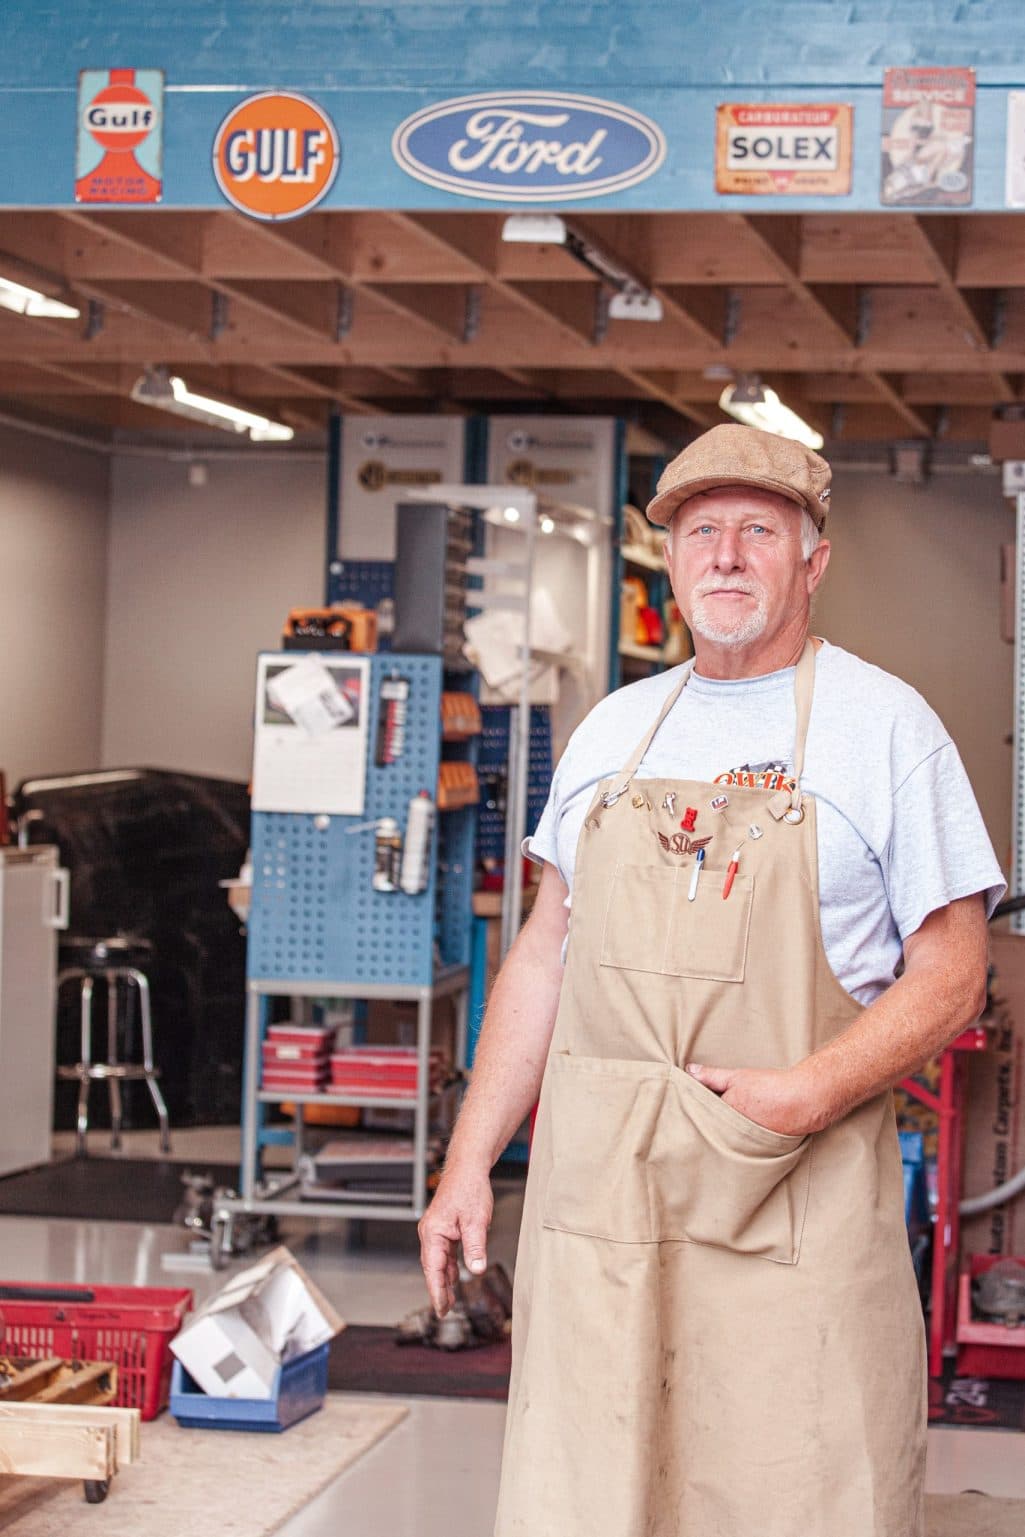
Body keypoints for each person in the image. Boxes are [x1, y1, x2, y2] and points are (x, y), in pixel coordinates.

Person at [418, 423, 1005, 1536]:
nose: (725, 554)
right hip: (603, 1212)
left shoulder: (886, 728)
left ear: (813, 562)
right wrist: (467, 1161)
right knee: (595, 1498)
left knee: (796, 1491)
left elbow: (952, 970)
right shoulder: (612, 730)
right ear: (672, 560)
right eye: (699, 532)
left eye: (756, 531)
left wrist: (809, 1090)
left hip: (787, 1202)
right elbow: (542, 954)